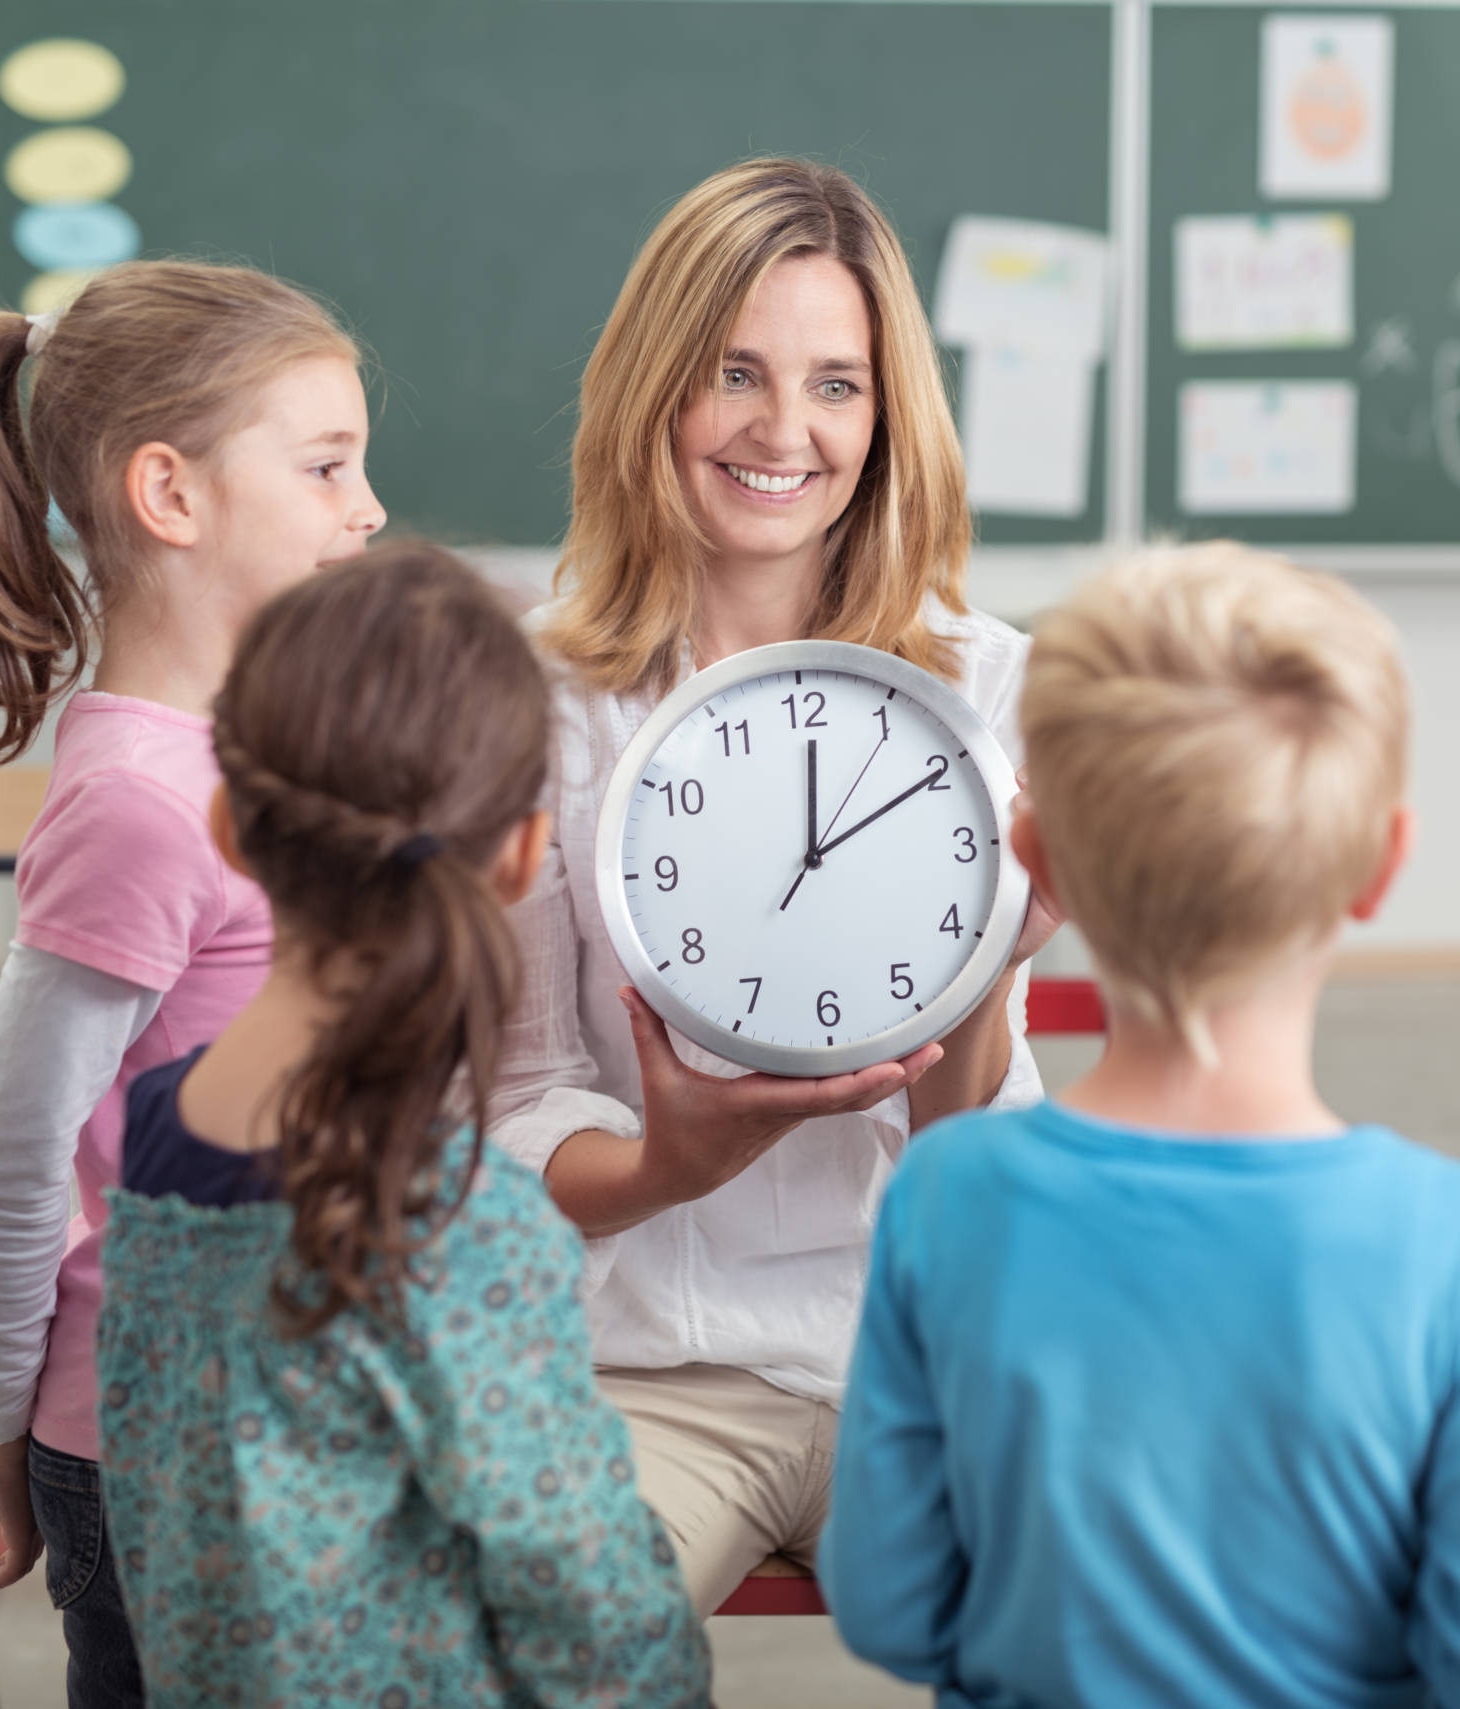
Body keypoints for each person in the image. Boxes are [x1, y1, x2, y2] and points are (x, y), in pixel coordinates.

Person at [822, 542, 1460, 1708]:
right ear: (1378, 867)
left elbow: (890, 1605)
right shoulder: (1458, 1239)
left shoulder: (944, 1201)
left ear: (1038, 859)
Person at [490, 156, 1057, 1611]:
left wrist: (986, 964)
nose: (783, 431)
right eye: (733, 373)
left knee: (1131, 1624)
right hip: (648, 1370)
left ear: (887, 415)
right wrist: (677, 1161)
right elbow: (516, 1103)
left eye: (836, 385)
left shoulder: (982, 688)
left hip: (921, 1354)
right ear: (651, 390)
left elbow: (966, 1156)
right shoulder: (537, 695)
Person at [95, 542, 709, 1705]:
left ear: (229, 827)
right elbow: (598, 1615)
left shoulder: (156, 1130)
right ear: (523, 856)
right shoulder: (460, 1224)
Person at [0, 258, 384, 1704]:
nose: (367, 508)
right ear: (170, 495)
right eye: (324, 466)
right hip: (158, 1444)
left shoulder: (244, 755)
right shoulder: (135, 800)